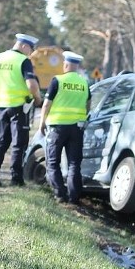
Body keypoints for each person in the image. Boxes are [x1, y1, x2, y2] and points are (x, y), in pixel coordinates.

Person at [0, 33, 42, 187]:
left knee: (2, 141)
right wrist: (37, 99)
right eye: (30, 49)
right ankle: (16, 179)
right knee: (19, 143)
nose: (30, 53)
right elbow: (32, 85)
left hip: (0, 105)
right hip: (18, 106)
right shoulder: (23, 61)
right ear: (23, 45)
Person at [39, 51, 90, 204]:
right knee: (74, 163)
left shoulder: (57, 80)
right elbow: (88, 105)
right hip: (77, 128)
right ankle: (74, 198)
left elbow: (46, 104)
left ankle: (60, 194)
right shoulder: (84, 83)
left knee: (53, 162)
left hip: (57, 127)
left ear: (66, 65)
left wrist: (42, 122)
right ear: (77, 66)